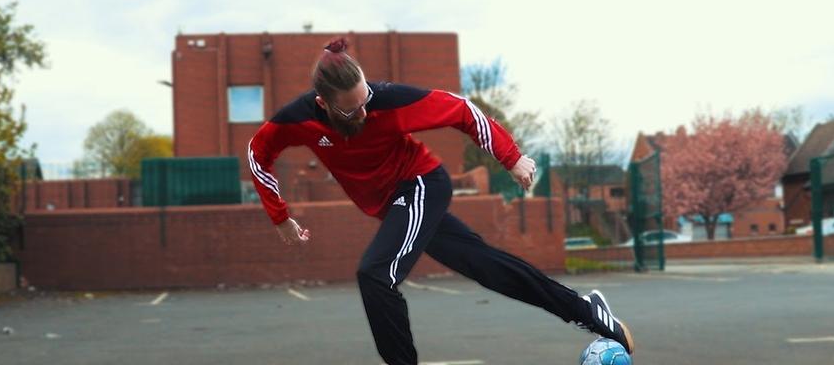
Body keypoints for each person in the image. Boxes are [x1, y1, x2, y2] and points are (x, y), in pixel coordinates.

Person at [248, 37, 634, 364]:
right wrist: (280, 216)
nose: (365, 112)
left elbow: (461, 110)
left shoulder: (389, 101)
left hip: (418, 185)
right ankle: (590, 312)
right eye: (352, 109)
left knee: (375, 274)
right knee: (485, 265)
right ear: (324, 103)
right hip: (395, 204)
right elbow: (258, 152)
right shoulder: (297, 119)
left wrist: (511, 157)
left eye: (366, 98)